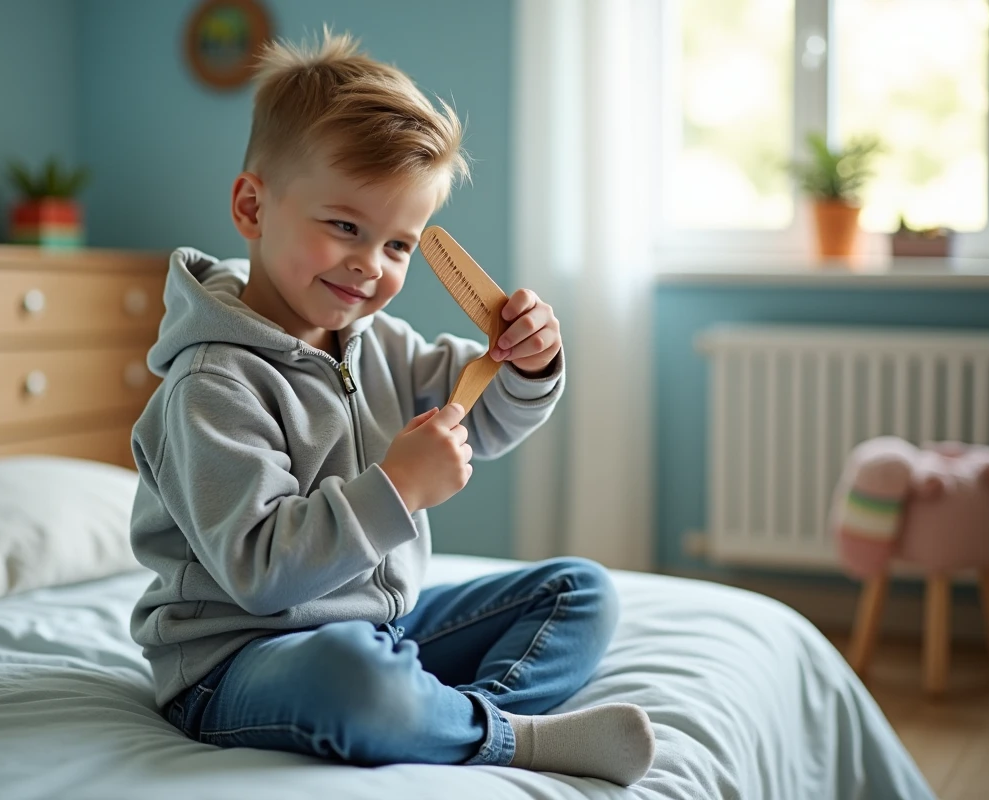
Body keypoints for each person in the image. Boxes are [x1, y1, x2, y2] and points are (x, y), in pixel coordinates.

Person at [128, 29, 655, 786]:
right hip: (241, 660)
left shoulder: (379, 341)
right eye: (345, 226)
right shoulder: (211, 384)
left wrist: (529, 363)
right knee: (351, 680)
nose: (369, 266)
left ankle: (451, 722)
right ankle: (498, 736)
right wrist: (399, 487)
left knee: (581, 591)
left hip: (384, 625)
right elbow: (260, 573)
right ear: (253, 206)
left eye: (399, 246)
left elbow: (487, 416)